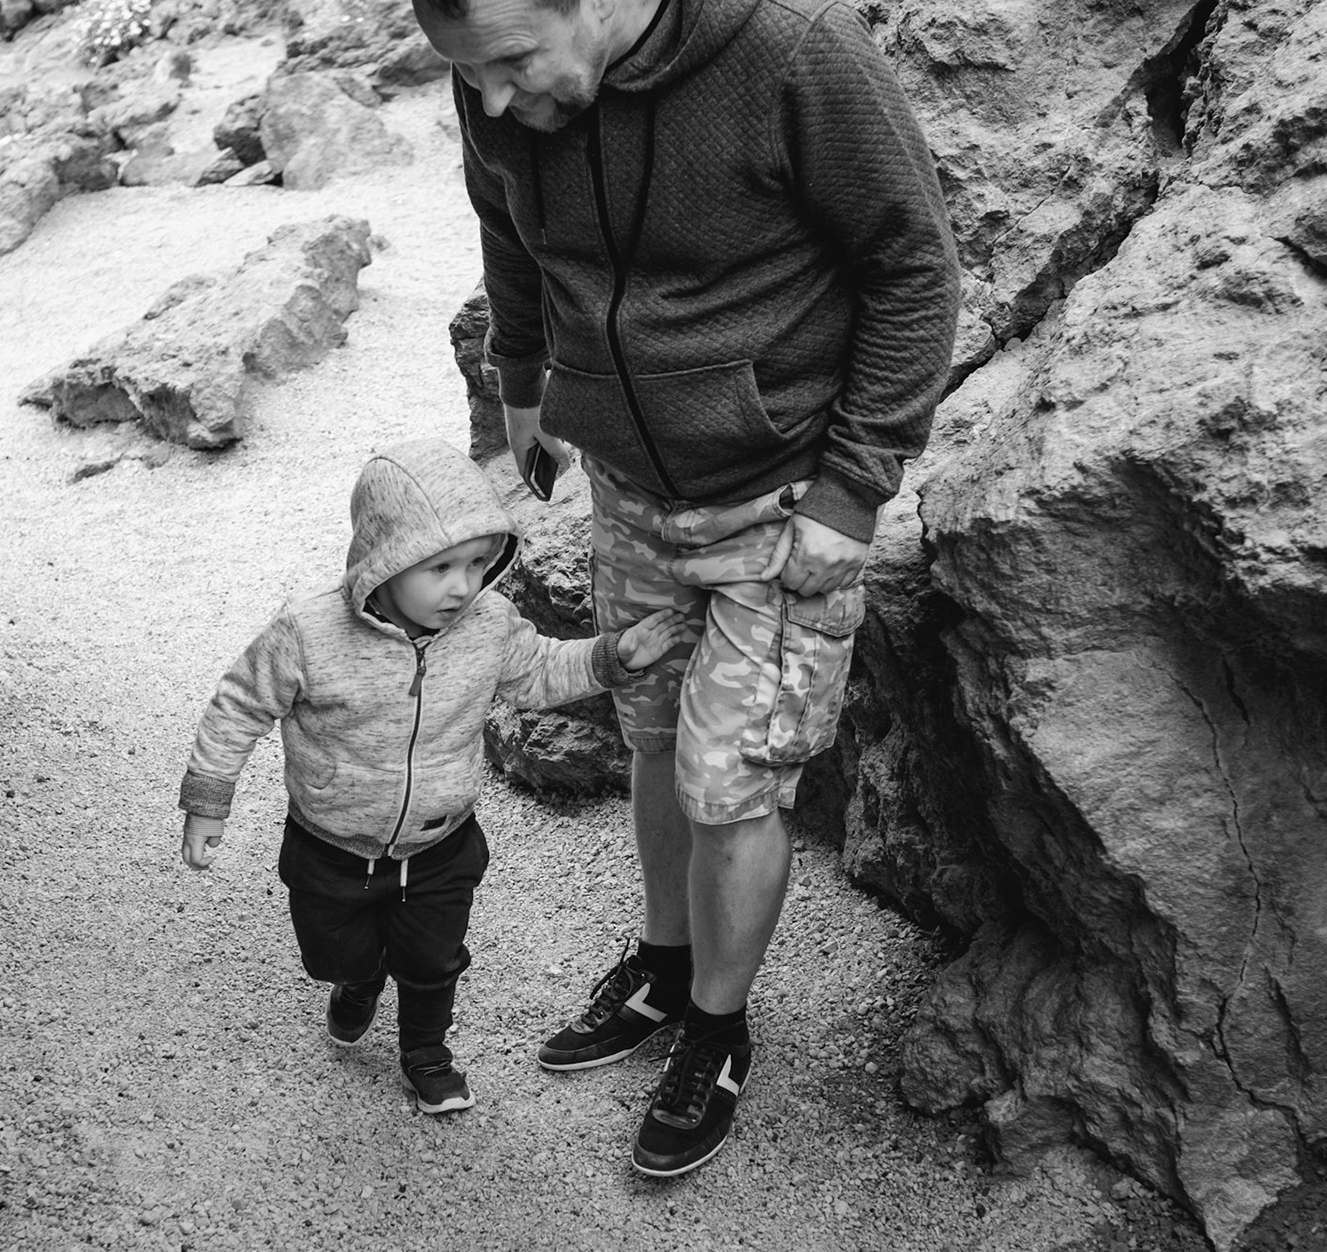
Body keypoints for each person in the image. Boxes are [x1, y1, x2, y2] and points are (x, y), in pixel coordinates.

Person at [410, 0, 963, 1174]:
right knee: (654, 739)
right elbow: (507, 228)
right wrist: (522, 380)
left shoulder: (793, 52)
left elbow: (915, 267)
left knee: (732, 784)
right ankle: (665, 968)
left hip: (781, 501)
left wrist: (852, 492)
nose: (492, 99)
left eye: (510, 64)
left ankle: (717, 1027)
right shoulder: (494, 71)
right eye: (469, 75)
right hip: (627, 488)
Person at [178, 437, 688, 1114]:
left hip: (441, 844)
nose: (463, 586)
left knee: (433, 961)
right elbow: (238, 707)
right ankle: (360, 979)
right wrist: (208, 800)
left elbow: (537, 672)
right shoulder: (307, 634)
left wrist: (611, 657)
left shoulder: (488, 624)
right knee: (333, 955)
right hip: (330, 844)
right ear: (384, 559)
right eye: (440, 567)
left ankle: (426, 1053)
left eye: (477, 563)